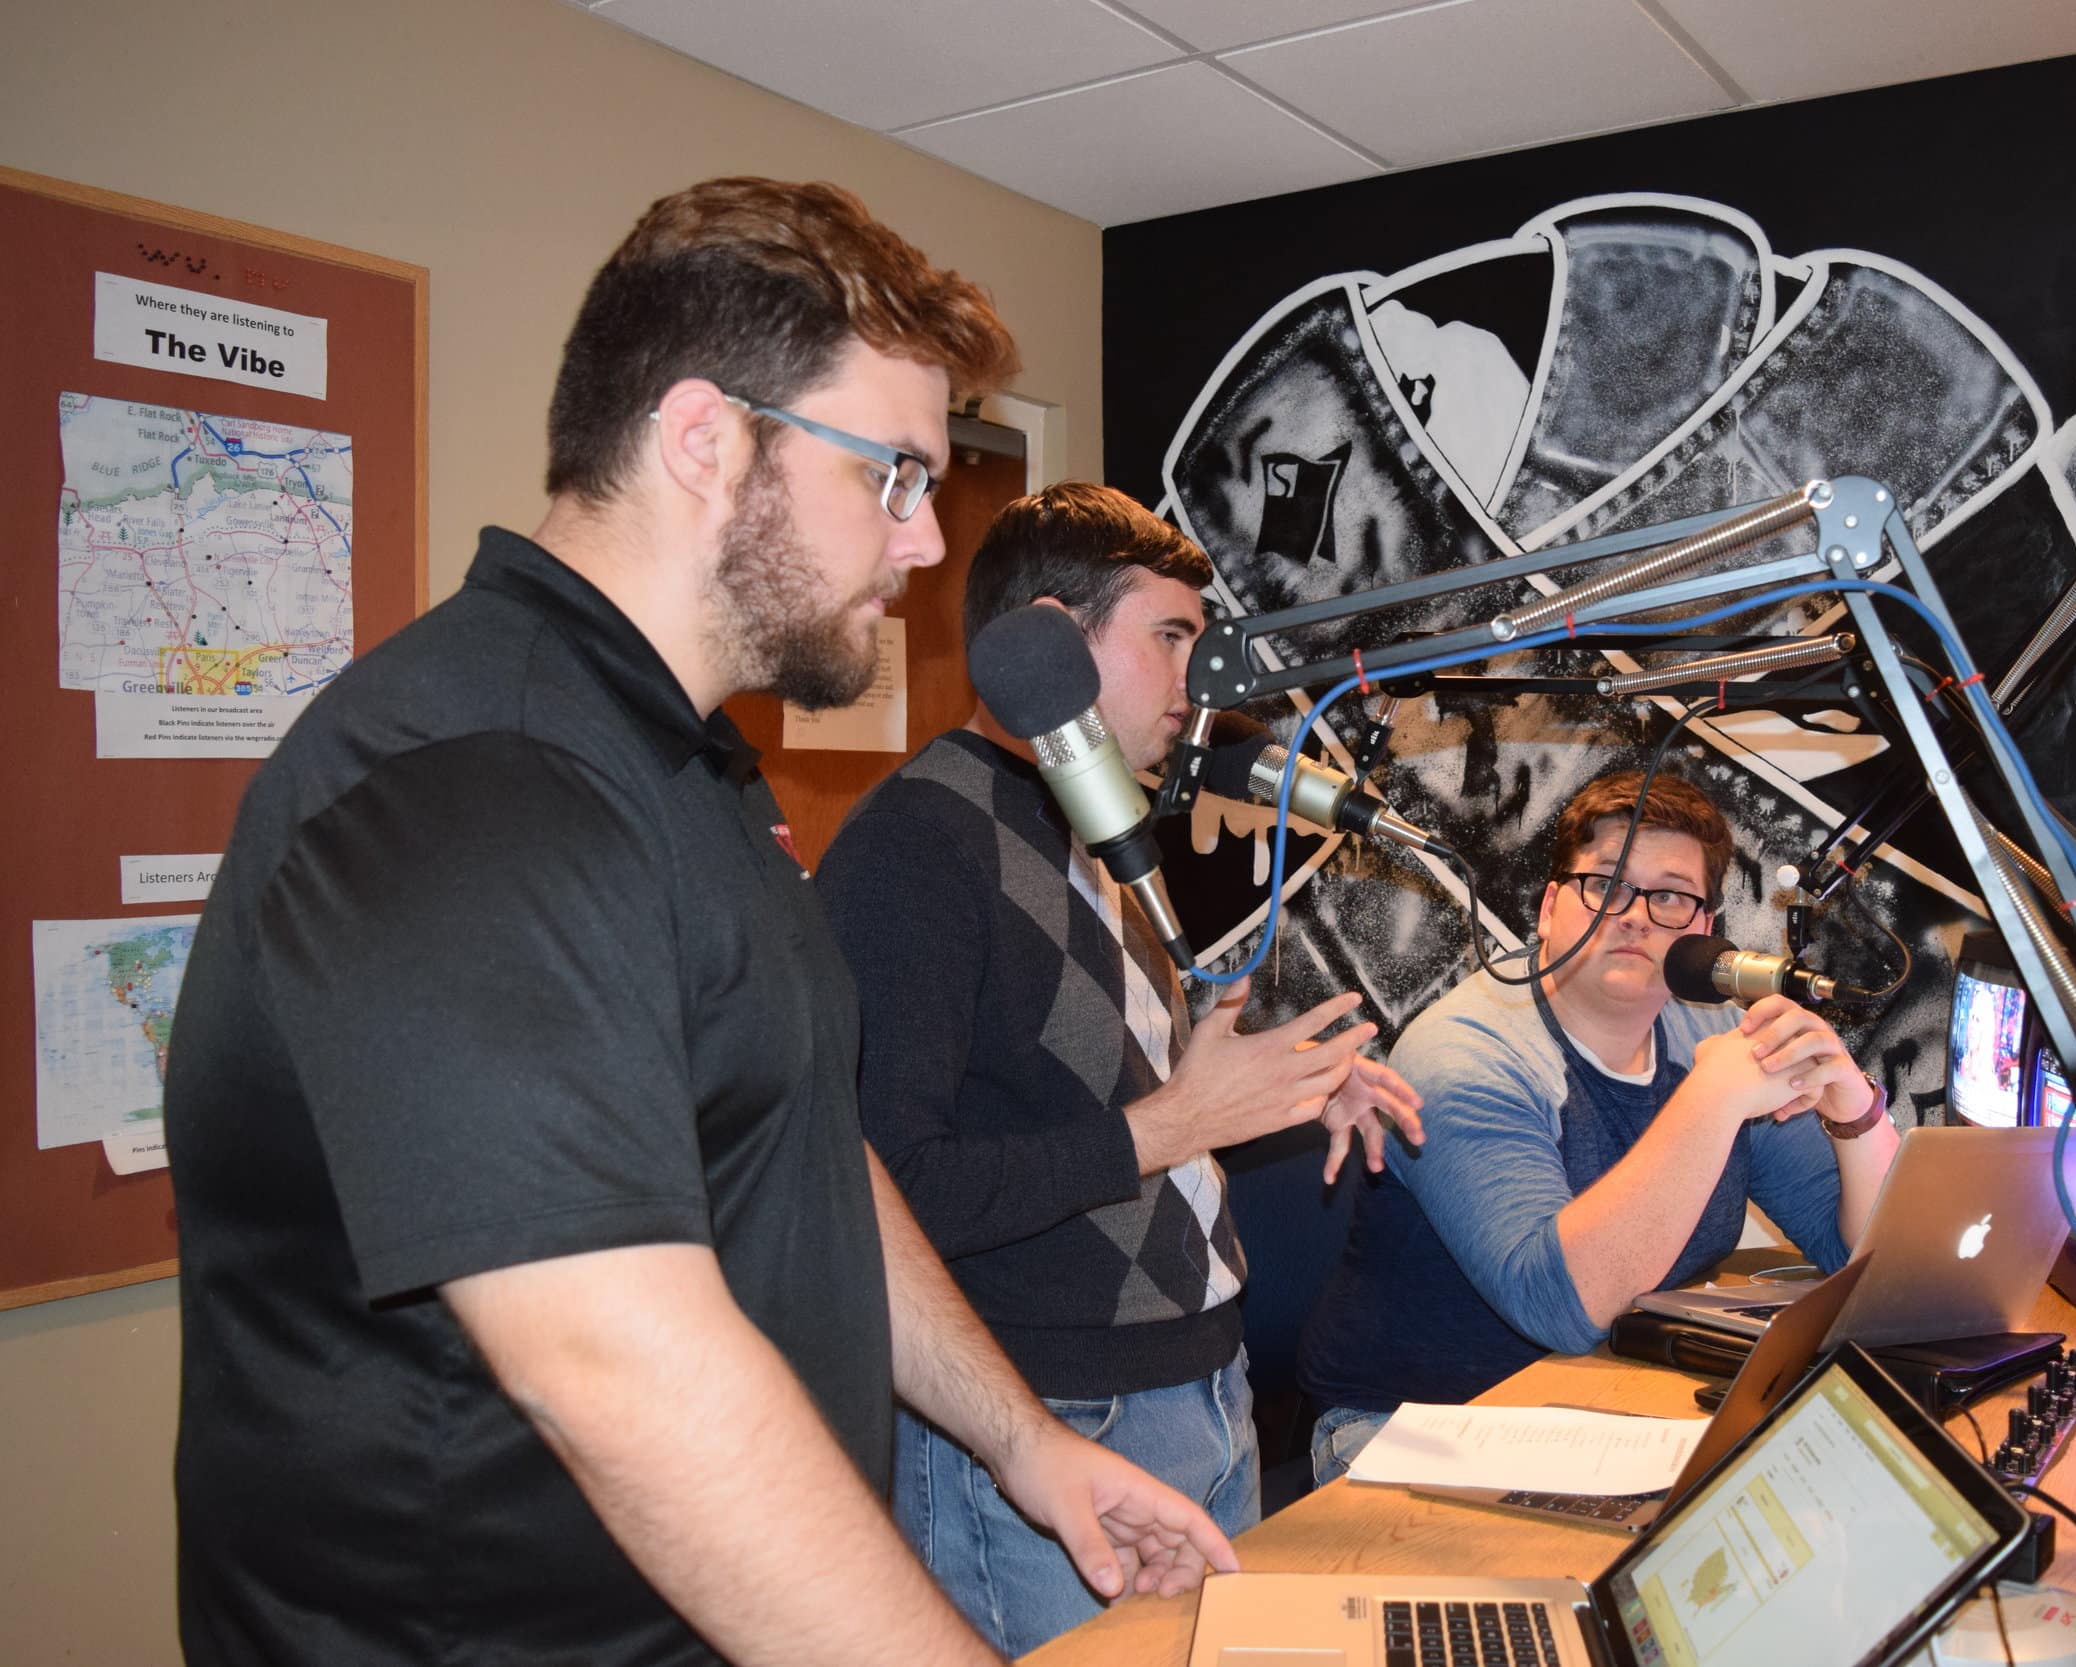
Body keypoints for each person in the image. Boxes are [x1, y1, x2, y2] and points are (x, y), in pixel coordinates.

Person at [164, 178, 1234, 1667]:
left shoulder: (688, 771)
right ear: (703, 440)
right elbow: (617, 1369)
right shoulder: (476, 780)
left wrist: (1022, 1443)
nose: (924, 547)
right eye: (894, 476)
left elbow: (805, 1143)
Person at [817, 481, 1424, 1655]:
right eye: (1171, 637)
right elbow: (886, 1188)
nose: (1200, 681)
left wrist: (1283, 1083)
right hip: (1050, 1420)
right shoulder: (918, 843)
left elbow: (1115, 1087)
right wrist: (1171, 1122)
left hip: (1197, 1385)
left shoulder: (1090, 827)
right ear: (1050, 637)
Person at [1296, 767, 1901, 1482]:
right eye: (1605, 885)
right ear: (1550, 907)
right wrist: (1711, 1098)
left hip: (1607, 1407)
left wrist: (1853, 1110)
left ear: (1703, 932)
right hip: (1414, 1430)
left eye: (1670, 896)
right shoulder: (1465, 1054)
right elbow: (1559, 1303)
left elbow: (1860, 1260)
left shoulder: (1710, 1028)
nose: (1636, 916)